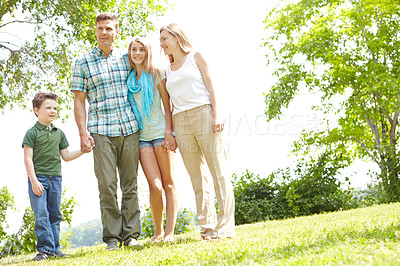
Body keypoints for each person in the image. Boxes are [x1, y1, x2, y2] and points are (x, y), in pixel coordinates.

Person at [71, 12, 141, 250]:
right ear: (95, 31)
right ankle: (112, 237)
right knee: (107, 184)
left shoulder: (127, 57)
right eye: (101, 28)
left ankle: (131, 235)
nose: (104, 32)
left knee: (130, 183)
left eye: (109, 28)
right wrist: (83, 133)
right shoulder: (83, 62)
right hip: (100, 129)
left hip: (129, 127)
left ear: (116, 31)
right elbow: (79, 101)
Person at [159, 23, 235, 240]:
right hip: (180, 121)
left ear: (176, 37)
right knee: (197, 178)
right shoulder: (167, 70)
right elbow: (169, 105)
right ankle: (207, 227)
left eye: (164, 39)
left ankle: (225, 227)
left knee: (218, 172)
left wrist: (217, 115)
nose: (162, 44)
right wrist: (170, 132)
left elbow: (212, 88)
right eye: (160, 41)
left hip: (203, 113)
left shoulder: (196, 56)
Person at [22, 92, 87, 261]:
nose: (52, 111)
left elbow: (65, 156)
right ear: (36, 110)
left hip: (56, 179)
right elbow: (27, 159)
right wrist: (34, 181)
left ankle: (56, 248)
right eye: (48, 108)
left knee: (55, 214)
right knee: (41, 214)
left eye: (55, 108)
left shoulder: (59, 133)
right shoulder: (32, 133)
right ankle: (44, 249)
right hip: (39, 179)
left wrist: (83, 150)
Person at [127, 36, 178, 243]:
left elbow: (168, 106)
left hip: (160, 134)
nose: (138, 53)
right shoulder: (130, 80)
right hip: (141, 138)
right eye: (134, 50)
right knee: (154, 186)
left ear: (147, 53)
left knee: (168, 184)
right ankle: (157, 232)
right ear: (130, 54)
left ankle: (169, 233)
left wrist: (169, 132)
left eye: (141, 50)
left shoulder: (157, 74)